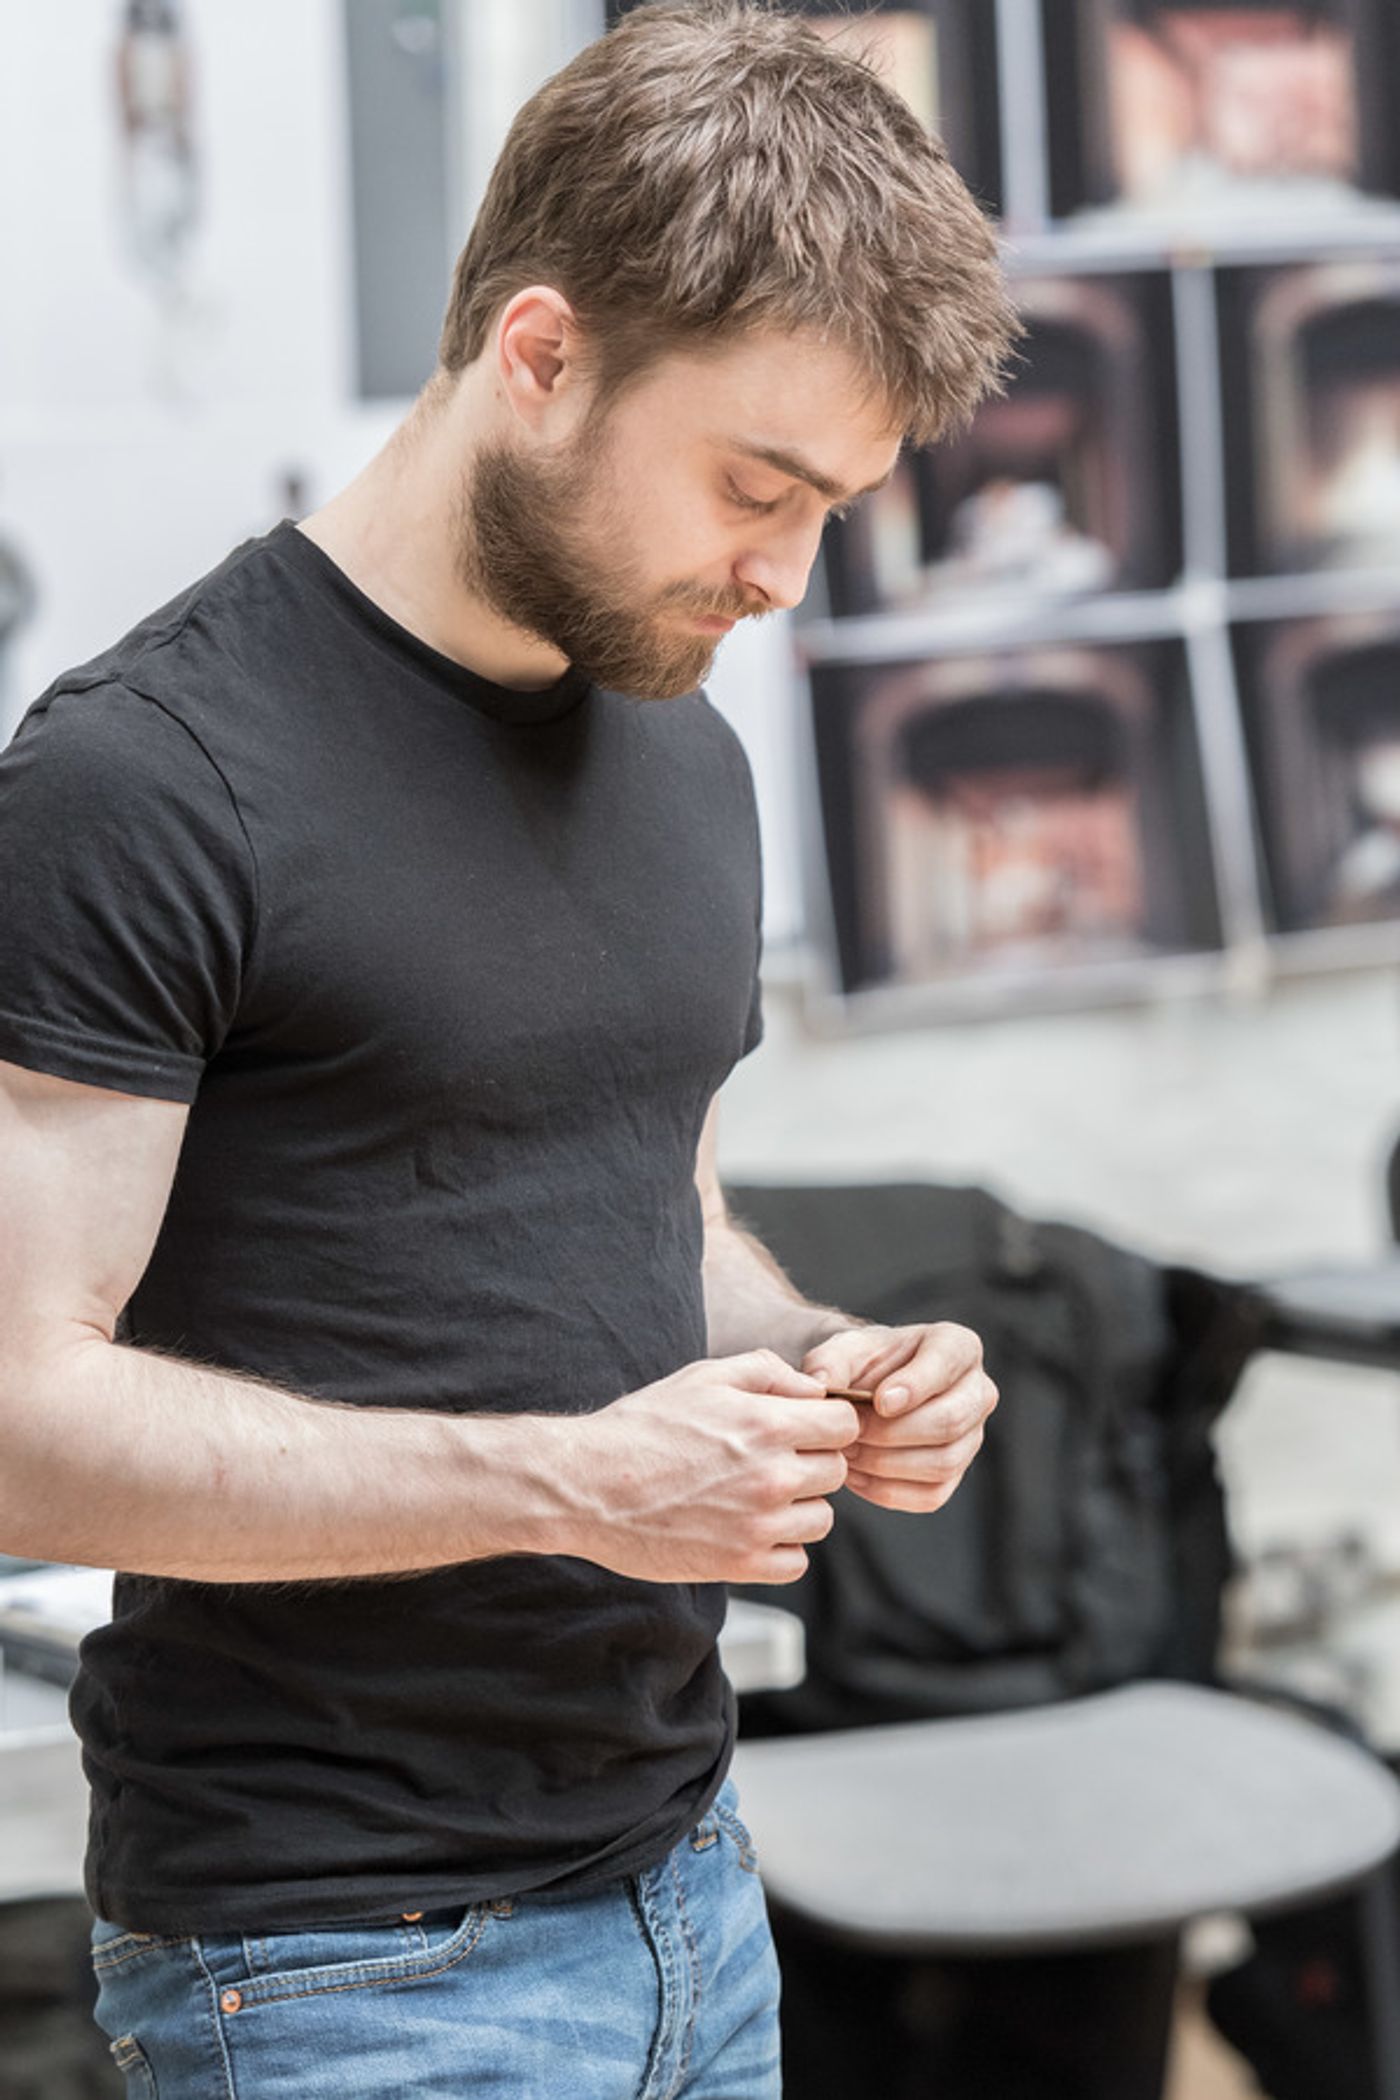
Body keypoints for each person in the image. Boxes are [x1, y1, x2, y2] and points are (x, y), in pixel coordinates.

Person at [0, 4, 1018, 2093]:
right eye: (754, 484)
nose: (778, 571)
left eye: (829, 504)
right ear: (538, 355)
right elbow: (16, 1417)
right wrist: (567, 1483)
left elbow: (667, 1208)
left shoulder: (685, 748)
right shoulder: (145, 779)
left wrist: (821, 1355)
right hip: (334, 1961)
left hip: (688, 1886)